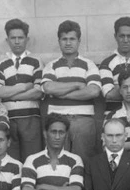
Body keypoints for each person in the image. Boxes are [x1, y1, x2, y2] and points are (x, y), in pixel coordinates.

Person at [41, 20, 102, 161]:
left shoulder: (89, 65)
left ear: (79, 41)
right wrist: (77, 84)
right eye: (64, 39)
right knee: (58, 161)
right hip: (57, 121)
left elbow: (93, 91)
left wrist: (60, 94)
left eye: (72, 39)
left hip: (83, 121)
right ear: (59, 41)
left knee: (84, 161)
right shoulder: (52, 65)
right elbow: (48, 87)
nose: (68, 43)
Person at [0, 18, 44, 163]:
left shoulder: (36, 62)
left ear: (27, 39)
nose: (17, 41)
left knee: (32, 159)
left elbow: (39, 91)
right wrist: (24, 87)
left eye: (20, 37)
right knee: (11, 160)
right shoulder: (0, 65)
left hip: (31, 119)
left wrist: (10, 94)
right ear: (7, 40)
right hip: (8, 119)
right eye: (13, 38)